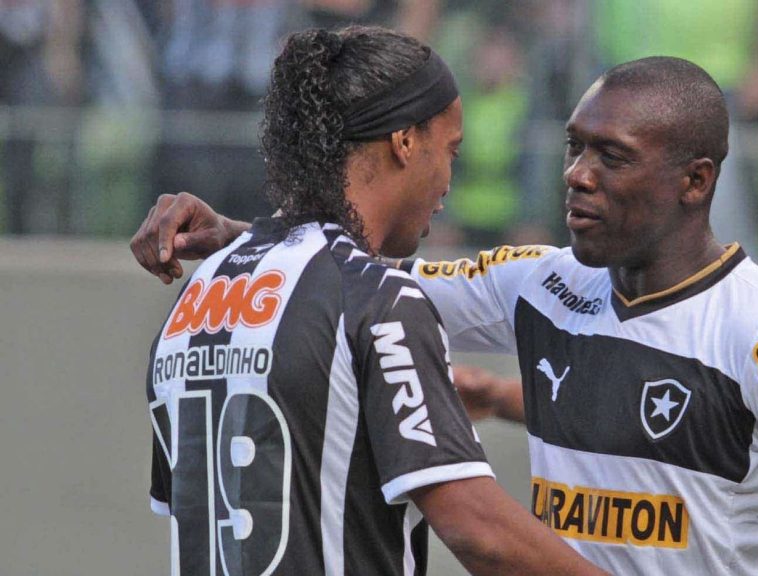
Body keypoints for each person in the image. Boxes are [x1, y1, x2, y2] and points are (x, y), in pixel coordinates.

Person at [132, 56, 758, 574]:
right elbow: (348, 279)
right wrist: (237, 234)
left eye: (612, 156)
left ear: (694, 181)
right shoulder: (544, 282)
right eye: (575, 149)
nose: (577, 175)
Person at [137, 25, 606, 576]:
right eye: (450, 150)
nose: (450, 180)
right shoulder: (379, 298)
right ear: (404, 142)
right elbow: (477, 529)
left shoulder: (199, 293)